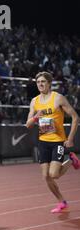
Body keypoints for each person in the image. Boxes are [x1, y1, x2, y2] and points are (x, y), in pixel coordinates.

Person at [26, 71, 79, 213]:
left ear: (49, 83)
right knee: (46, 177)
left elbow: (75, 117)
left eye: (43, 82)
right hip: (43, 142)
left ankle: (70, 160)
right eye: (38, 82)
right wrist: (36, 117)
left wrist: (70, 138)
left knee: (54, 174)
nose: (40, 84)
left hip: (57, 141)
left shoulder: (58, 99)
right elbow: (28, 124)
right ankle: (62, 201)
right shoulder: (34, 102)